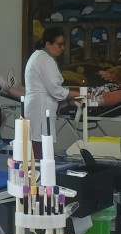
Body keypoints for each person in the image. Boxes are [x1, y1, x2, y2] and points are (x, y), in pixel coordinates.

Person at [23, 28, 79, 158]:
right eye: (59, 44)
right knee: (39, 150)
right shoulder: (44, 59)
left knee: (37, 148)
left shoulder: (40, 56)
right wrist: (78, 94)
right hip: (40, 109)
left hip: (37, 106)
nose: (63, 48)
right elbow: (54, 89)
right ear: (48, 44)